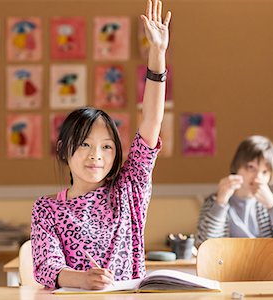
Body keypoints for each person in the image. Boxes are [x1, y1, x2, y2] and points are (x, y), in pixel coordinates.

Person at [30, 0, 171, 290]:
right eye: (84, 144)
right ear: (63, 150)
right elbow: (47, 268)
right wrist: (82, 279)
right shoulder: (47, 209)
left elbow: (151, 123)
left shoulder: (129, 190)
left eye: (107, 147)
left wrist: (157, 54)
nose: (96, 155)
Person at [195, 135, 273, 247]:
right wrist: (220, 203)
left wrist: (272, 206)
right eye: (251, 168)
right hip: (227, 263)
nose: (258, 177)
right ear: (237, 167)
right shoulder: (214, 201)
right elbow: (203, 246)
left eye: (265, 172)